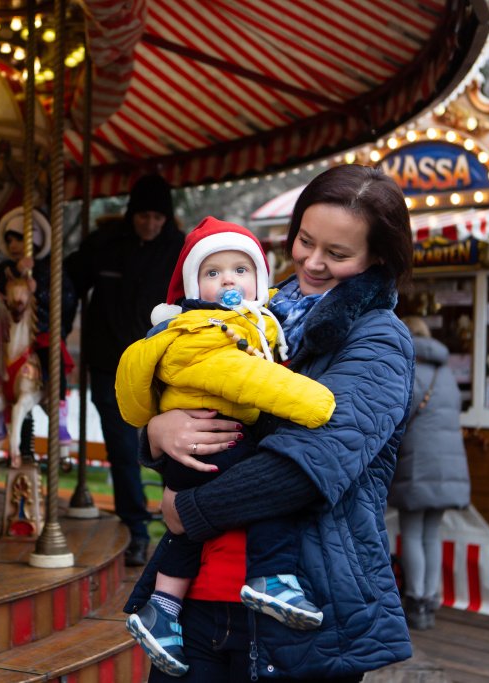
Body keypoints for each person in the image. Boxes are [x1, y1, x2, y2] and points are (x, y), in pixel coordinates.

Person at [125, 164, 416, 681]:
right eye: (305, 241)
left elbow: (307, 468)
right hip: (198, 595)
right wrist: (156, 432)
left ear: (377, 257)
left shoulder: (380, 342)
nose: (313, 262)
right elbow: (179, 387)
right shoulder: (254, 312)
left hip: (302, 602)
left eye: (338, 254)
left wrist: (187, 510)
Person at [117, 217, 337, 676]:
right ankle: (271, 575)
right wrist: (313, 401)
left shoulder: (255, 325)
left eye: (240, 269)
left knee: (187, 527)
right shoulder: (207, 331)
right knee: (267, 493)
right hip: (217, 441)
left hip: (206, 448)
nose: (228, 281)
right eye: (213, 272)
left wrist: (153, 429)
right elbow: (248, 378)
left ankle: (162, 606)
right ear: (192, 285)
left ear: (260, 278)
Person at [64, 174, 185, 566]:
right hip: (109, 363)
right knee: (121, 448)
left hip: (163, 366)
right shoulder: (104, 245)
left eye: (158, 218)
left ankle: (181, 531)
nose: (150, 224)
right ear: (132, 214)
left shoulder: (179, 251)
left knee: (173, 446)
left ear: (167, 218)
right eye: (143, 216)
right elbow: (67, 279)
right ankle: (135, 531)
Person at [388, 316, 470, 631]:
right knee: (431, 533)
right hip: (449, 467)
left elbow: (397, 417)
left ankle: (416, 600)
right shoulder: (446, 374)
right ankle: (430, 597)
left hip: (418, 464)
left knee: (411, 532)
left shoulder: (410, 373)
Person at [0, 207, 77, 451]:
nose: (14, 245)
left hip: (41, 329)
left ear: (36, 240)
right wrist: (17, 274)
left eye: (20, 239)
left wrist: (38, 290)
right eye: (10, 240)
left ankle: (59, 415)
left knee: (53, 359)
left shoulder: (50, 268)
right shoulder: (5, 268)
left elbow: (66, 299)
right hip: (11, 332)